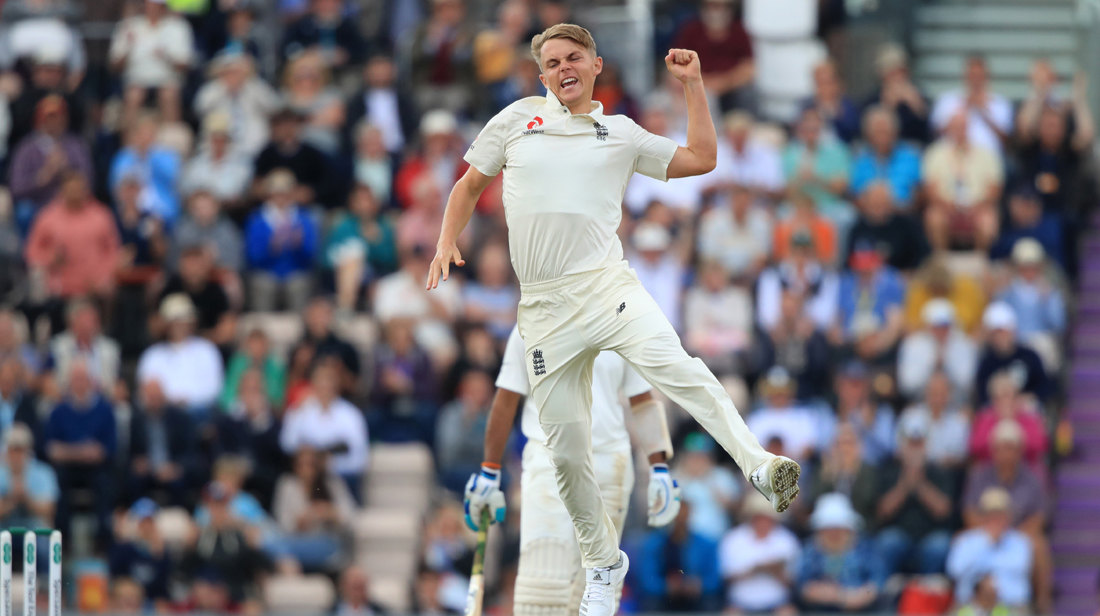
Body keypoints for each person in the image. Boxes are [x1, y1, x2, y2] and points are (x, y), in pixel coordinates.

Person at [429, 28, 798, 616]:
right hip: (544, 310)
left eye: (573, 57)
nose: (563, 67)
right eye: (552, 62)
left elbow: (703, 159)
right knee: (565, 452)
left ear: (596, 65)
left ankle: (759, 464)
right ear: (542, 76)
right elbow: (468, 185)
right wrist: (446, 239)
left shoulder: (621, 133)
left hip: (606, 288)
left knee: (677, 366)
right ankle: (604, 562)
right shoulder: (515, 120)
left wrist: (694, 85)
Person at [464, 322, 674, 616]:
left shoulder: (622, 321)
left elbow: (642, 399)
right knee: (541, 598)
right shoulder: (531, 323)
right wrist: (490, 472)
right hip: (548, 463)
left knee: (597, 596)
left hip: (609, 466)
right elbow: (506, 398)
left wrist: (660, 468)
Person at [874, 412, 956, 576]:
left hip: (931, 535)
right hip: (899, 536)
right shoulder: (889, 471)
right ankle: (884, 587)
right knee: (887, 541)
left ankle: (929, 589)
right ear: (902, 445)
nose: (915, 449)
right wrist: (904, 484)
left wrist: (920, 484)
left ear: (926, 445)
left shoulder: (939, 472)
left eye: (919, 444)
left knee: (940, 545)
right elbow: (883, 511)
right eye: (911, 443)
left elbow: (943, 510)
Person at [44, 360, 115, 544]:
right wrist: (83, 451)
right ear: (70, 382)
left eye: (83, 378)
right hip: (66, 469)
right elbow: (51, 450)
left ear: (91, 381)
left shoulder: (105, 410)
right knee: (56, 482)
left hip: (97, 469)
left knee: (105, 483)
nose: (80, 383)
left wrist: (69, 451)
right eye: (76, 379)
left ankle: (103, 539)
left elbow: (106, 450)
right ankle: (62, 539)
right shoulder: (58, 412)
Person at [23, 171, 120, 303]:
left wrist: (102, 278)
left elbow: (113, 252)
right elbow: (32, 252)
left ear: (86, 190)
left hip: (94, 289)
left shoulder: (101, 216)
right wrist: (50, 258)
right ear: (62, 192)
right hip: (58, 290)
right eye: (70, 190)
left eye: (77, 189)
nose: (74, 193)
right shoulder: (47, 217)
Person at [280, 360, 369, 501]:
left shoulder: (351, 415)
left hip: (340, 476)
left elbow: (360, 458)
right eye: (321, 381)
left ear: (337, 385)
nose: (325, 386)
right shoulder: (300, 412)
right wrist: (312, 455)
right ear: (313, 384)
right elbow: (287, 444)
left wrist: (330, 464)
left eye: (329, 381)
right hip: (307, 477)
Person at [7, 95, 93, 230]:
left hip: (70, 202)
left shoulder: (75, 146)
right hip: (38, 204)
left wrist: (66, 170)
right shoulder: (26, 148)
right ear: (39, 120)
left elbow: (89, 181)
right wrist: (43, 176)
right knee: (24, 211)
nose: (53, 122)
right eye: (48, 118)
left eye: (57, 117)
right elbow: (16, 188)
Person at [922, 112, 1004, 251]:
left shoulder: (986, 154)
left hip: (978, 208)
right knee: (934, 217)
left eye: (963, 126)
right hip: (945, 207)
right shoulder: (935, 153)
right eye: (956, 127)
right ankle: (942, 258)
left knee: (988, 220)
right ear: (948, 128)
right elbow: (930, 190)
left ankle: (980, 258)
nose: (960, 131)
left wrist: (976, 209)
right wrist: (949, 207)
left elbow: (995, 190)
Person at [136, 294, 225, 419]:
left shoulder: (207, 350)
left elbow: (214, 390)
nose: (179, 326)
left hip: (199, 414)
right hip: (163, 415)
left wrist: (187, 400)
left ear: (192, 322)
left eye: (182, 321)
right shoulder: (152, 355)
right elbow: (144, 394)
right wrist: (170, 402)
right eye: (174, 322)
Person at [244, 169, 319, 311]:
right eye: (277, 194)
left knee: (298, 285)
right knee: (263, 284)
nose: (281, 199)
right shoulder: (257, 220)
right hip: (266, 273)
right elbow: (252, 258)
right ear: (269, 195)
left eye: (285, 194)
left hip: (295, 273)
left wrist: (299, 246)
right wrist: (271, 247)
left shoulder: (304, 219)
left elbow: (311, 257)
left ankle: (299, 324)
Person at [108, 0, 194, 123]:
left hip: (168, 80)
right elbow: (115, 65)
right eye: (148, 4)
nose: (151, 8)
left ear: (163, 7)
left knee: (168, 95)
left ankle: (170, 133)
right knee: (134, 96)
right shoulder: (128, 26)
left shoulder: (178, 27)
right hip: (136, 80)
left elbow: (185, 65)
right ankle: (130, 135)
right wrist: (128, 47)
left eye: (156, 5)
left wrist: (166, 57)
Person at [946, 488, 1033, 610]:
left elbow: (1020, 567)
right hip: (970, 606)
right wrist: (986, 542)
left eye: (1000, 514)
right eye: (991, 514)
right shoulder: (965, 540)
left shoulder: (1020, 541)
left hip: (1012, 607)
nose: (995, 519)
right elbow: (955, 570)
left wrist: (985, 573)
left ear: (1009, 516)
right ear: (982, 516)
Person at [798, 493, 885, 612]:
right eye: (828, 529)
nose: (834, 534)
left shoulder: (866, 549)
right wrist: (831, 595)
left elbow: (877, 582)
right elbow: (802, 586)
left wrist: (857, 597)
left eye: (839, 528)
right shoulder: (810, 552)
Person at [272, 447, 355, 572]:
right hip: (296, 541)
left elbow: (351, 516)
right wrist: (300, 523)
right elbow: (282, 524)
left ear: (318, 465)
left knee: (281, 550)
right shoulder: (287, 485)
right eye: (301, 465)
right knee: (277, 545)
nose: (306, 470)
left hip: (327, 542)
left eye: (310, 465)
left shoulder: (331, 484)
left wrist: (329, 512)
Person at [718, 495, 800, 615]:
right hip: (739, 605)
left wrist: (774, 570)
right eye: (759, 517)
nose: (762, 521)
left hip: (778, 605)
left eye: (766, 516)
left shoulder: (787, 540)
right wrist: (755, 569)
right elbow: (726, 578)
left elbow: (792, 582)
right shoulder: (733, 539)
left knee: (788, 613)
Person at [670, 0, 754, 113]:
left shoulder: (739, 32)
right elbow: (676, 62)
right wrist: (702, 82)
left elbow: (749, 68)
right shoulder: (690, 30)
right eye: (712, 6)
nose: (717, 11)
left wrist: (722, 83)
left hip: (732, 89)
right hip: (696, 85)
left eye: (722, 7)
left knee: (748, 94)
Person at [637, 502, 722, 611]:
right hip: (664, 599)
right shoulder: (653, 544)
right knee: (651, 603)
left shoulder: (707, 544)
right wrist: (667, 586)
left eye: (683, 515)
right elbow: (647, 580)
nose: (680, 520)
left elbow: (715, 580)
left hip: (696, 599)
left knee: (710, 603)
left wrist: (698, 585)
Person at [996, 238, 1066, 371]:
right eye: (1024, 268)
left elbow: (1058, 325)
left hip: (1041, 341)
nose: (1029, 272)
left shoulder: (1049, 291)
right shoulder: (1007, 291)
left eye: (1033, 268)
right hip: (1015, 341)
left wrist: (1046, 301)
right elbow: (1000, 318)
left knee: (1045, 349)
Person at [126, 379, 199, 506]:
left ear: (163, 396)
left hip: (172, 467)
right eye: (150, 397)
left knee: (179, 483)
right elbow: (132, 452)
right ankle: (139, 514)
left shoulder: (179, 418)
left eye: (157, 396)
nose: (154, 400)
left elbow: (190, 452)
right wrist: (138, 463)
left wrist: (175, 467)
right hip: (148, 470)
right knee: (133, 481)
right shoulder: (137, 420)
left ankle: (177, 515)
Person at [193, 52, 281, 158]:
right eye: (229, 72)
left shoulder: (254, 87)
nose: (233, 76)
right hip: (220, 150)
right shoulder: (213, 88)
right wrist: (224, 89)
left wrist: (251, 82)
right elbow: (199, 107)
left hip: (254, 148)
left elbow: (274, 107)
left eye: (237, 72)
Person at [897, 299, 979, 403]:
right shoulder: (912, 345)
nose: (940, 331)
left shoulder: (965, 344)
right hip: (920, 403)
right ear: (927, 326)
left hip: (956, 404)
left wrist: (947, 362)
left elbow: (968, 384)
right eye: (936, 326)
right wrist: (932, 362)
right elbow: (906, 385)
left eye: (945, 326)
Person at [930, 56, 1013, 154]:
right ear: (965, 76)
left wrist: (983, 111)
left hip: (989, 158)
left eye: (979, 76)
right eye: (972, 75)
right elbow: (936, 135)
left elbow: (1007, 141)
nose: (975, 80)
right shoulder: (946, 100)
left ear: (987, 77)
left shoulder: (1001, 103)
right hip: (951, 157)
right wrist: (964, 107)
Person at [974, 302, 1049, 407]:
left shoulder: (1029, 356)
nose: (1001, 337)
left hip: (1026, 409)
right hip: (997, 410)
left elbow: (1046, 386)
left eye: (1004, 332)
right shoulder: (986, 363)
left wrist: (1029, 396)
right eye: (997, 333)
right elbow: (982, 396)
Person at [845, 181, 928, 273]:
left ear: (891, 203)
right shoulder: (857, 229)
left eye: (883, 202)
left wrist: (909, 272)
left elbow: (923, 254)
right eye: (874, 202)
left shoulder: (907, 225)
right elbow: (849, 263)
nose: (879, 205)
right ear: (865, 203)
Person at [180, 113, 254, 210]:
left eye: (222, 140)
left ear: (228, 141)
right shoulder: (196, 163)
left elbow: (237, 193)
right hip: (199, 211)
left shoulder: (241, 164)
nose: (218, 144)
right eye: (215, 139)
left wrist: (214, 201)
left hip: (229, 211)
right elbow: (188, 190)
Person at [109, 499, 172, 612]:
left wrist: (159, 556)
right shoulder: (124, 548)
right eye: (142, 522)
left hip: (152, 600)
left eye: (150, 522)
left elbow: (163, 586)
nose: (146, 527)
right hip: (128, 598)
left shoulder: (162, 551)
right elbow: (115, 577)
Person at [897, 372, 971, 468]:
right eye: (934, 393)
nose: (938, 398)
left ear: (950, 395)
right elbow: (899, 450)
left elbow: (963, 456)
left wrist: (950, 461)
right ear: (926, 393)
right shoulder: (910, 416)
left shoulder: (960, 422)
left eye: (942, 393)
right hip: (916, 469)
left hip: (948, 471)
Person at [862, 44, 930, 145]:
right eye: (892, 73)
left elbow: (929, 133)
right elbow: (865, 133)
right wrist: (886, 106)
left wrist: (918, 107)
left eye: (901, 72)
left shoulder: (918, 94)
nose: (897, 77)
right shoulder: (872, 99)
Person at [0, 423, 58, 530]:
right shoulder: (1, 473)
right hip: (4, 532)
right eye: (13, 449)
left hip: (36, 532)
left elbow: (49, 510)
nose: (16, 455)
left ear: (29, 449)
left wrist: (26, 498)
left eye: (20, 449)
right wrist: (13, 499)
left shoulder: (43, 472)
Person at [281, 0, 366, 69]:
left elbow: (362, 51)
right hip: (309, 71)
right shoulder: (301, 26)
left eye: (333, 2)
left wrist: (345, 54)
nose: (327, 5)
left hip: (343, 71)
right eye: (322, 1)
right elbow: (287, 49)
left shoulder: (348, 27)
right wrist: (306, 53)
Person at [801, 60, 860, 144]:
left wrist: (835, 112)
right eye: (819, 82)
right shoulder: (807, 106)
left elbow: (852, 132)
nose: (823, 87)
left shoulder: (849, 107)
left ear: (837, 83)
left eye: (827, 82)